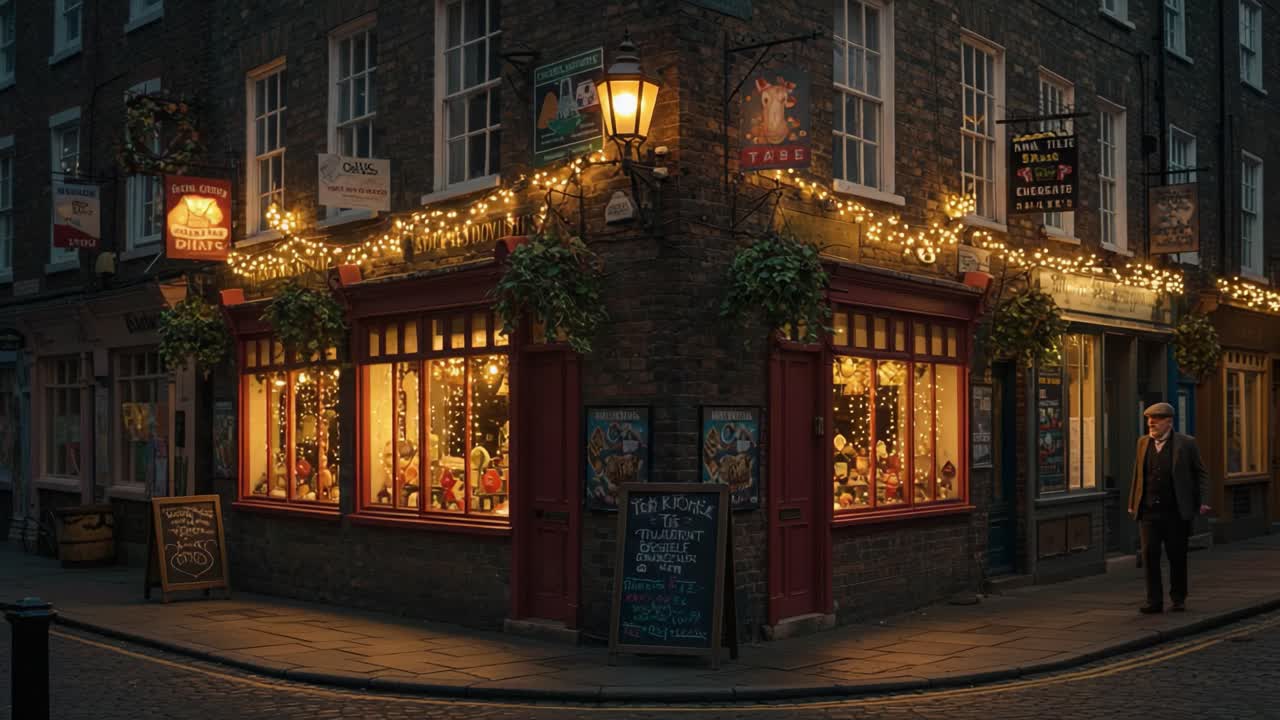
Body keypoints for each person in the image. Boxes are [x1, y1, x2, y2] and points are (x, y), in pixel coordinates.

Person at [1127, 402, 1211, 613]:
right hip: (1148, 511)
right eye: (1149, 420)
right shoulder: (1142, 443)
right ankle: (1154, 601)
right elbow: (1138, 475)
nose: (1151, 423)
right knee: (1149, 555)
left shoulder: (1186, 444)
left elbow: (1201, 473)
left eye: (1156, 420)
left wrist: (1202, 500)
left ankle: (1178, 597)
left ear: (1169, 422)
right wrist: (1132, 503)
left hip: (1175, 511)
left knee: (1177, 555)